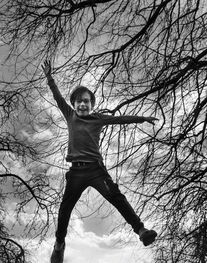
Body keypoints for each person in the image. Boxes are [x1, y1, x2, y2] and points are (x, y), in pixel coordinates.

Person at [42, 61, 157, 263]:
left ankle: (141, 230)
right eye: (78, 102)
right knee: (64, 210)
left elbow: (121, 120)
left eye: (86, 101)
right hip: (76, 174)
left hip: (96, 171)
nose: (82, 104)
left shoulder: (98, 119)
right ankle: (59, 244)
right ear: (74, 104)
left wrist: (142, 118)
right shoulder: (69, 115)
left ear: (92, 104)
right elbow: (58, 97)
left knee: (116, 197)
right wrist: (50, 78)